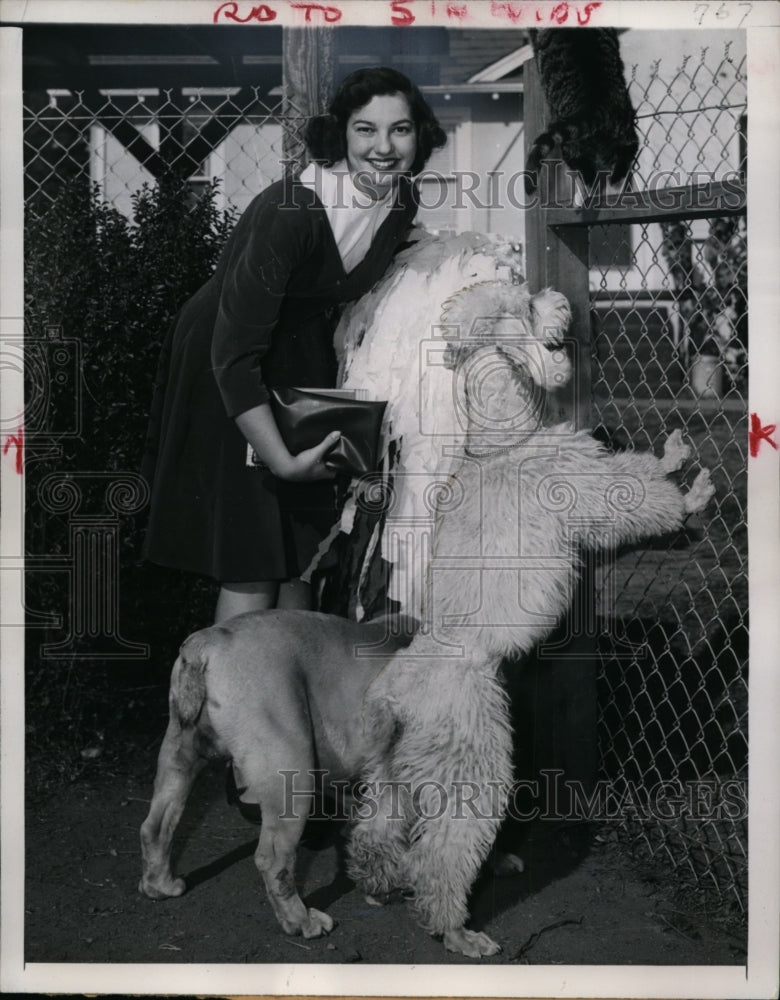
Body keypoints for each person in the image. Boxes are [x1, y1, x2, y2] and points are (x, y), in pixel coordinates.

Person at [142, 67, 446, 624]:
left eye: (400, 130)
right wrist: (280, 459)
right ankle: (235, 701)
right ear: (340, 134)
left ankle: (292, 697)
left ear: (420, 134)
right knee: (253, 557)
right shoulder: (293, 211)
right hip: (227, 359)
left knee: (303, 555)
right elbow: (233, 356)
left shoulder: (400, 200)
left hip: (299, 357)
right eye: (365, 130)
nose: (384, 148)